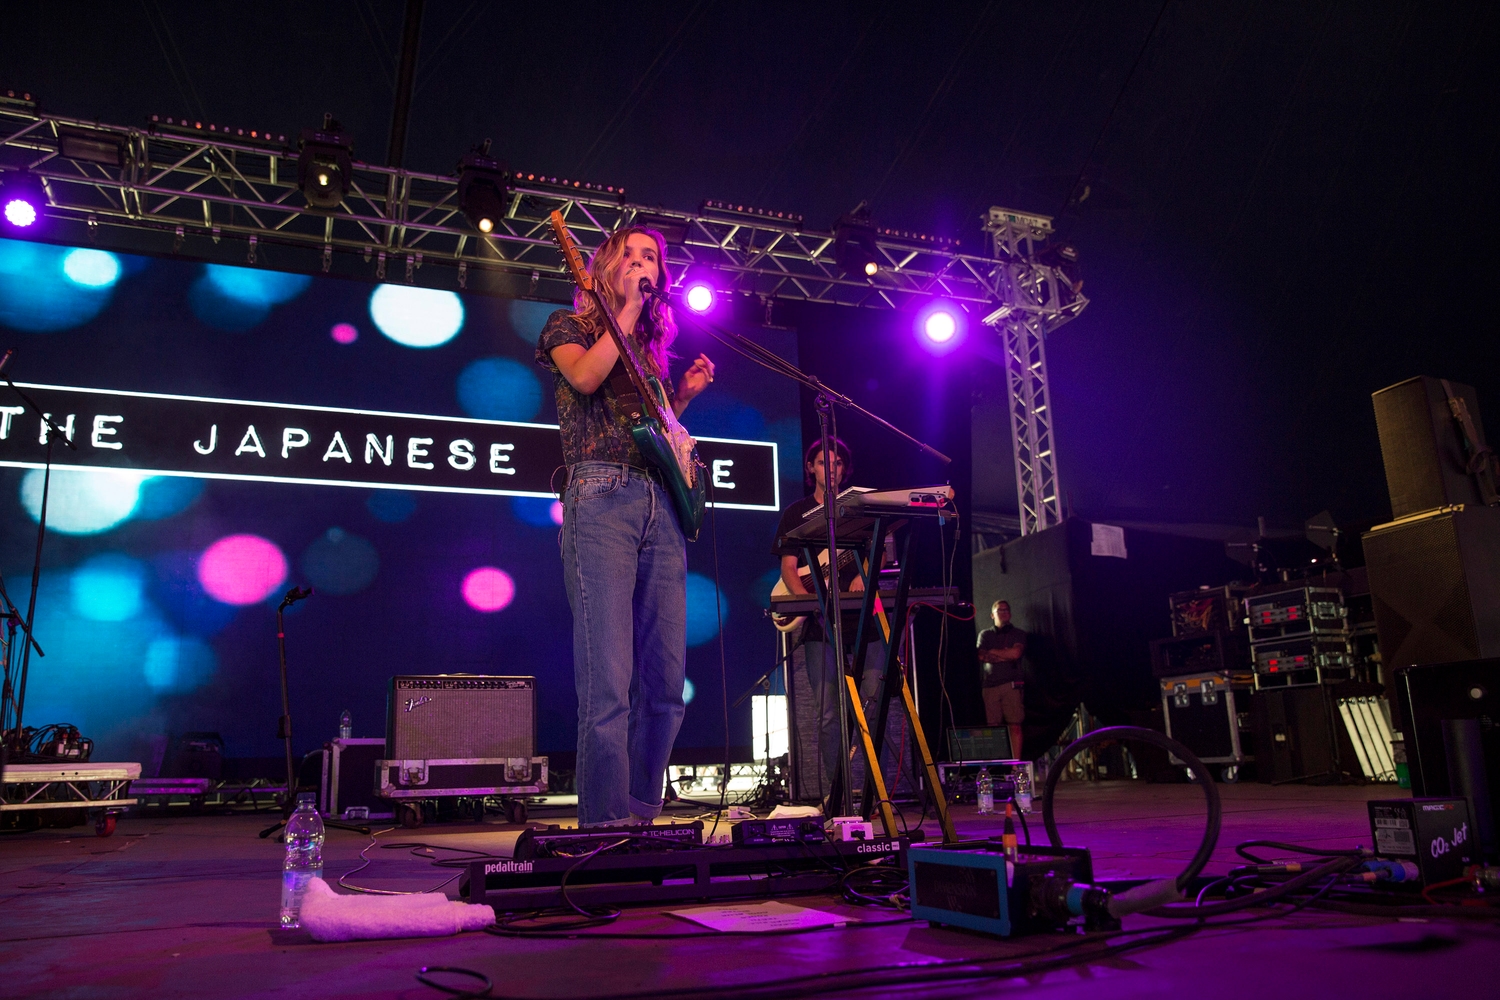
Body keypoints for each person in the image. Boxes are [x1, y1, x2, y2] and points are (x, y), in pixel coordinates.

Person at [536, 226, 715, 827]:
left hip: (659, 505)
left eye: (652, 261)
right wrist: (628, 310)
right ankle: (604, 828)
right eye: (631, 257)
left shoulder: (648, 359)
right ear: (606, 267)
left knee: (665, 688)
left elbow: (656, 440)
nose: (643, 266)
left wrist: (680, 398)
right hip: (600, 499)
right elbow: (585, 379)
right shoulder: (568, 327)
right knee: (609, 687)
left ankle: (638, 817)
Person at [771, 439, 888, 806]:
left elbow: (879, 551)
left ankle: (875, 793)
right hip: (821, 626)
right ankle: (838, 795)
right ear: (811, 469)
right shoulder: (796, 513)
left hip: (863, 621)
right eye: (823, 463)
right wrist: (809, 602)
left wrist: (864, 579)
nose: (831, 469)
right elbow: (788, 568)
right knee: (826, 714)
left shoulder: (857, 507)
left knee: (875, 700)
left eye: (837, 463)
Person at [975, 600, 1027, 760]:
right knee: (992, 728)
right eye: (1000, 610)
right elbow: (981, 655)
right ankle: (997, 764)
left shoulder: (1018, 633)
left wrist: (994, 653)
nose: (1004, 613)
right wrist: (1005, 653)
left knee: (1015, 725)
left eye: (1006, 610)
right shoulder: (985, 634)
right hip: (990, 686)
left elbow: (1016, 654)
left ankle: (1014, 765)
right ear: (992, 615)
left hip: (1010, 685)